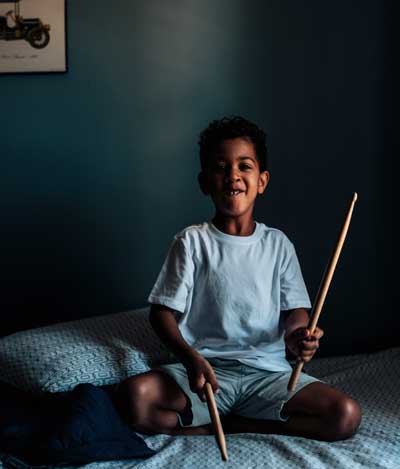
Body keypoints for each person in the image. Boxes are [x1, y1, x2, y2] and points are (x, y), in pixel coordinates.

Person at [118, 116, 362, 441]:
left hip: (269, 376)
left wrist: (299, 336)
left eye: (244, 166)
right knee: (136, 397)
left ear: (261, 181)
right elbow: (161, 314)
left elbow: (295, 313)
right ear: (205, 182)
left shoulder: (278, 244)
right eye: (221, 167)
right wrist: (191, 359)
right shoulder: (191, 242)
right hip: (206, 373)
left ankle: (243, 425)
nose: (233, 175)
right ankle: (212, 422)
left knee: (345, 416)